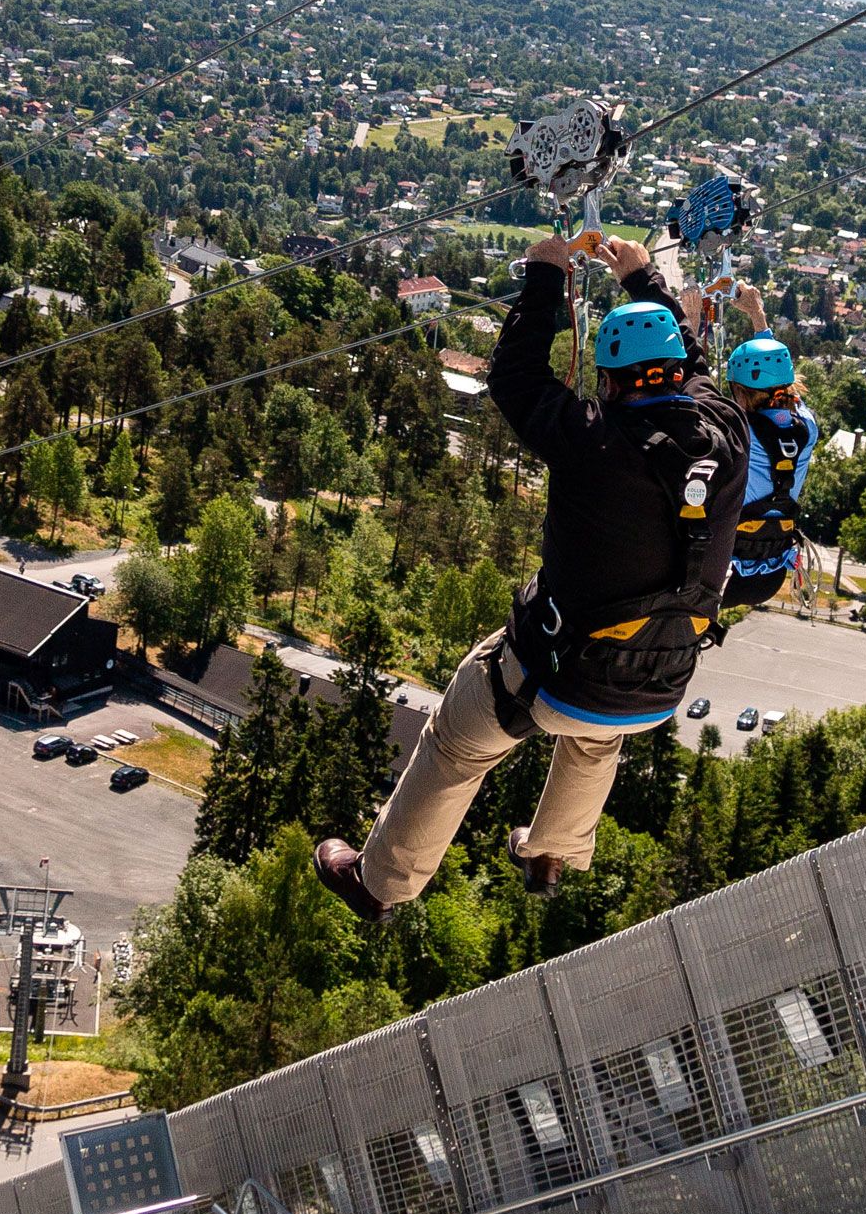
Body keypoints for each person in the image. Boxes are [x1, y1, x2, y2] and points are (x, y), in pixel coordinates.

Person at [319, 232, 746, 914]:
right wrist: (644, 280)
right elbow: (694, 366)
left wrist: (547, 272)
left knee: (457, 744)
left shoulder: (590, 440)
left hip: (556, 671)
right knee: (595, 736)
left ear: (608, 380)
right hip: (660, 682)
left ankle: (380, 884)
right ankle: (553, 852)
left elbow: (514, 373)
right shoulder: (728, 433)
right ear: (675, 373)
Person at [715, 326, 818, 622]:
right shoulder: (808, 428)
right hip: (770, 579)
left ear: (741, 393)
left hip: (723, 574)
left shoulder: (738, 432)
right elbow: (785, 385)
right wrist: (761, 325)